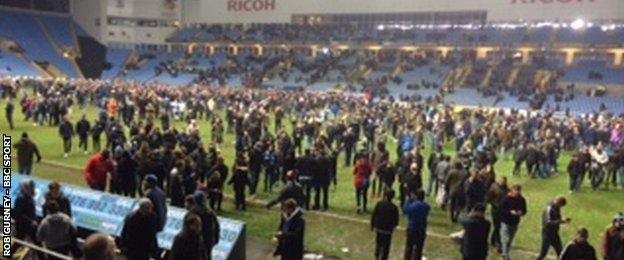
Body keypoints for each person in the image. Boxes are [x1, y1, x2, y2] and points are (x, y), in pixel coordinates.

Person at [188, 192, 220, 258]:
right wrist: (215, 239)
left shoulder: (192, 213)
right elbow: (217, 227)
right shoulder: (211, 213)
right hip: (208, 241)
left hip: (194, 242)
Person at [500, 184, 527, 260]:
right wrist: (510, 212)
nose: (516, 193)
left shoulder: (522, 200)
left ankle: (505, 252)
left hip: (514, 222)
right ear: (512, 190)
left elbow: (524, 210)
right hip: (505, 221)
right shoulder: (506, 199)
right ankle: (505, 255)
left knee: (510, 239)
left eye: (518, 192)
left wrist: (521, 212)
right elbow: (501, 210)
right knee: (506, 239)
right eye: (515, 191)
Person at [370, 190, 399, 260]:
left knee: (379, 243)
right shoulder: (394, 207)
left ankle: (377, 256)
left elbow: (374, 215)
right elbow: (396, 220)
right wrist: (393, 227)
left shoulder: (379, 204)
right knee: (386, 246)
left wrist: (372, 225)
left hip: (379, 228)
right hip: (388, 230)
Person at [403, 189, 430, 260]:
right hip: (421, 230)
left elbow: (405, 210)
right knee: (419, 249)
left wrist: (407, 200)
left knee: (409, 247)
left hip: (412, 228)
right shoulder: (426, 206)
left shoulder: (413, 206)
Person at [485, 176, 508, 251]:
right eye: (502, 181)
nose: (503, 182)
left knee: (498, 226)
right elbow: (489, 198)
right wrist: (494, 205)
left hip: (503, 210)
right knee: (497, 226)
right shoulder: (494, 187)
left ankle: (493, 239)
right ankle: (498, 243)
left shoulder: (507, 189)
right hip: (495, 210)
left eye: (504, 181)